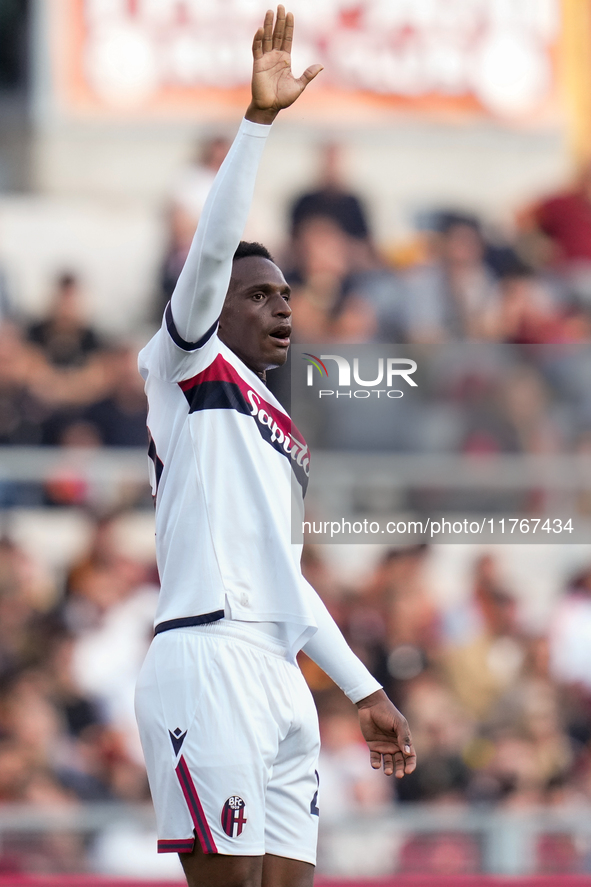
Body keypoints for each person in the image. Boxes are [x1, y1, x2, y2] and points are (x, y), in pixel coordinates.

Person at [134, 8, 416, 887]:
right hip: (205, 653)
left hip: (279, 673)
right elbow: (214, 247)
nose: (282, 306)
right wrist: (257, 123)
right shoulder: (186, 363)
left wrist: (361, 687)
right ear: (212, 306)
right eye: (259, 294)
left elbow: (285, 577)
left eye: (287, 294)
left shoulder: (284, 431)